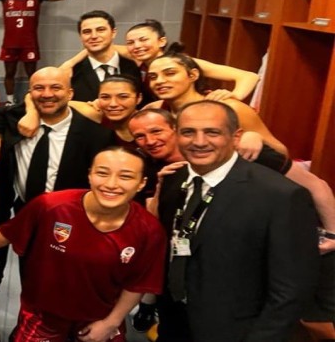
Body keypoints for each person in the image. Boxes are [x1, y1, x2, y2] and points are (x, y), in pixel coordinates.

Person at [128, 107, 335, 341]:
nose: (199, 142)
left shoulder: (280, 194)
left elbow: (292, 287)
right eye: (188, 132)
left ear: (235, 136)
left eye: (212, 132)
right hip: (175, 322)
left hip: (238, 330)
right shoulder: (173, 179)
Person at [0, 147, 166, 342]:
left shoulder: (149, 230)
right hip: (43, 317)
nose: (111, 184)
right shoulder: (50, 206)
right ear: (90, 175)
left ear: (141, 183)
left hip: (102, 318)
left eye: (125, 176)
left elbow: (137, 284)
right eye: (102, 173)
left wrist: (111, 323)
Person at [0, 66, 115, 314]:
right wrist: (30, 111)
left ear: (70, 93)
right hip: (25, 213)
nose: (47, 94)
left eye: (55, 87)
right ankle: (31, 324)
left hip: (74, 219)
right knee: (29, 274)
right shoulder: (11, 121)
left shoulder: (96, 136)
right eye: (39, 88)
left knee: (69, 280)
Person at [61, 19, 259, 102]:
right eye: (131, 42)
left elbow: (249, 76)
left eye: (143, 40)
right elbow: (99, 47)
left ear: (161, 41)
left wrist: (234, 97)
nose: (137, 46)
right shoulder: (137, 57)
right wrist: (68, 65)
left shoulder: (181, 61)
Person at [144, 51, 288, 156]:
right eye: (153, 77)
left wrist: (256, 138)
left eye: (170, 73)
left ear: (193, 75)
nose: (159, 81)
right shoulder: (155, 110)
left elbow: (281, 153)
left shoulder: (230, 108)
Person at [60, 10, 142, 103]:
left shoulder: (135, 66)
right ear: (80, 36)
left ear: (113, 32)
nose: (94, 36)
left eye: (100, 30)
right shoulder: (71, 73)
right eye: (87, 32)